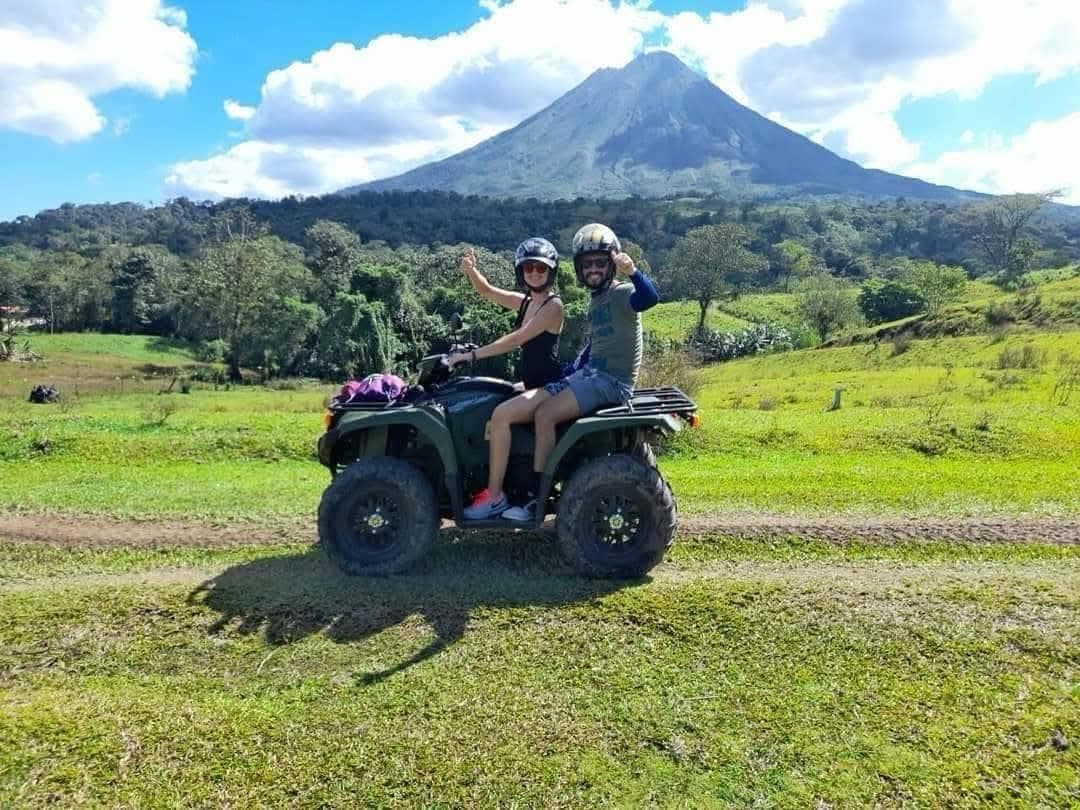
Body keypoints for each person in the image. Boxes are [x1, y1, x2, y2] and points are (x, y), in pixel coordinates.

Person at [466, 222, 661, 523]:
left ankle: (534, 497)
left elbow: (649, 299)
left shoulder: (622, 293)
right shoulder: (597, 302)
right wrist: (569, 374)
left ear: (610, 265)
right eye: (587, 265)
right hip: (591, 376)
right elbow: (594, 348)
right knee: (526, 399)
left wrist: (632, 270)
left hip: (610, 383)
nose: (593, 269)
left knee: (544, 414)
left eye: (600, 263)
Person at [447, 239, 565, 520]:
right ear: (521, 271)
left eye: (541, 268)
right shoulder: (526, 302)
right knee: (487, 402)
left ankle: (495, 496)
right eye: (528, 267)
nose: (534, 273)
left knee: (500, 416)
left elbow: (518, 339)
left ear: (551, 272)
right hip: (530, 383)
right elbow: (487, 291)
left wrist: (473, 355)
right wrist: (471, 272)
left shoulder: (553, 306)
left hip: (548, 387)